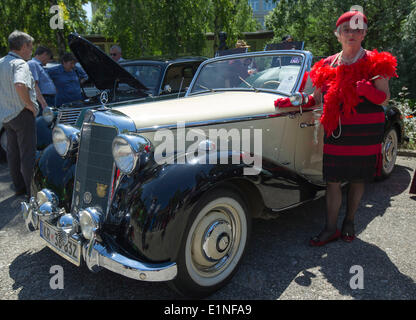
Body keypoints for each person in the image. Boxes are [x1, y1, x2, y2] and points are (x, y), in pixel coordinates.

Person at [274, 11, 398, 246]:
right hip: (337, 131)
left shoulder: (375, 62)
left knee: (358, 179)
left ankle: (349, 222)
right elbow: (316, 98)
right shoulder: (327, 64)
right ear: (338, 34)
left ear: (364, 34)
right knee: (333, 180)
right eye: (346, 30)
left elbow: (384, 98)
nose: (352, 34)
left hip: (365, 132)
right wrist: (295, 101)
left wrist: (368, 91)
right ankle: (330, 228)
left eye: (357, 29)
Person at [0, 30, 39, 198]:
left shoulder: (1, 62)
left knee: (13, 153)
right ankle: (32, 192)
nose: (31, 51)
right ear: (23, 46)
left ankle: (19, 187)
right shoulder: (20, 64)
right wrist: (29, 105)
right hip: (22, 114)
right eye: (30, 47)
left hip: (6, 116)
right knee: (27, 154)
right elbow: (20, 84)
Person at [27, 46, 56, 111]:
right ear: (45, 54)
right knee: (43, 120)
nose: (48, 60)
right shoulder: (32, 64)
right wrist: (43, 102)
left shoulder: (39, 65)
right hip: (43, 99)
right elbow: (34, 85)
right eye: (49, 57)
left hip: (48, 98)